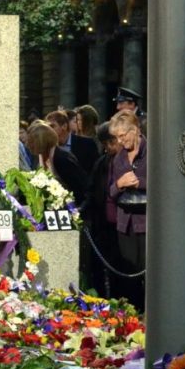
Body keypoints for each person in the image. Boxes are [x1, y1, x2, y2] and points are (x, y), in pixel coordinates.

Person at [108, 111, 147, 310]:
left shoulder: (153, 153)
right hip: (125, 225)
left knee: (148, 275)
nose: (120, 141)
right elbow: (111, 191)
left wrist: (139, 183)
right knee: (129, 275)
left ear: (135, 130)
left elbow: (166, 185)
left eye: (123, 136)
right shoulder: (118, 159)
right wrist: (120, 184)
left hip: (148, 223)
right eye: (117, 137)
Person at [84, 123, 121, 297]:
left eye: (109, 143)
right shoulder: (102, 162)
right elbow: (92, 191)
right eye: (104, 144)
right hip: (101, 223)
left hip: (120, 226)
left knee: (118, 271)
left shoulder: (126, 161)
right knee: (97, 267)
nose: (107, 148)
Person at [24, 120, 88, 206]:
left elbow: (78, 187)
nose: (28, 145)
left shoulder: (62, 159)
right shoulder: (41, 157)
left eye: (31, 142)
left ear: (41, 142)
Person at [46, 110, 99, 175]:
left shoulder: (87, 144)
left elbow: (96, 171)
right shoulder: (48, 148)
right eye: (47, 127)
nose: (49, 130)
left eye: (52, 126)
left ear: (64, 126)